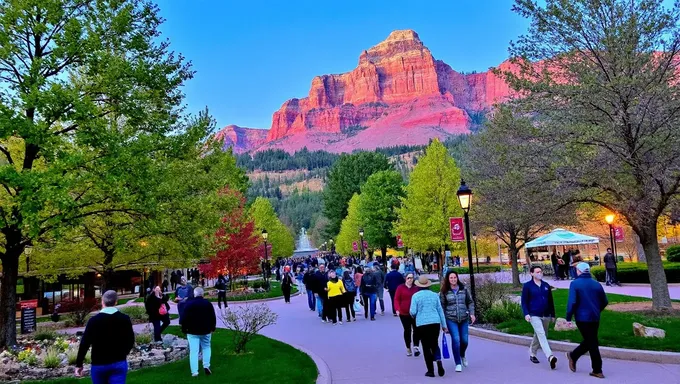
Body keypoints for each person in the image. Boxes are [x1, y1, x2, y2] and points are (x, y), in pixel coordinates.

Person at [75, 290, 134, 384]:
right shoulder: (124, 319)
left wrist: (79, 364)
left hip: (99, 364)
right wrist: (124, 352)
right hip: (118, 362)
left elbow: (84, 343)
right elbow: (130, 340)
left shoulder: (93, 321)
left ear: (102, 301)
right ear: (116, 302)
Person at [566, 262, 608, 379]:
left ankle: (595, 368)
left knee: (591, 342)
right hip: (595, 317)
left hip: (582, 317)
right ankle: (595, 368)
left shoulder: (575, 283)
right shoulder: (596, 284)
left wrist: (568, 317)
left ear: (579, 271)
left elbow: (572, 302)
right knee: (592, 341)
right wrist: (597, 310)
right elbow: (604, 301)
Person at [521, 266, 557, 369]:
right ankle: (550, 356)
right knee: (541, 334)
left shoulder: (546, 285)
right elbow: (524, 302)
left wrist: (553, 314)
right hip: (533, 314)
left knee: (541, 334)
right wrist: (526, 313)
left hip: (545, 314)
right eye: (537, 272)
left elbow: (551, 301)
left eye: (541, 272)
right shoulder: (528, 286)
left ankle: (532, 352)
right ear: (531, 273)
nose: (540, 273)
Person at [410, 275, 447, 378]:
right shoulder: (434, 295)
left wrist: (415, 315)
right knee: (434, 343)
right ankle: (439, 360)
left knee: (426, 347)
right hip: (435, 323)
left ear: (419, 285)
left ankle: (430, 371)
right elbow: (440, 310)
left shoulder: (416, 296)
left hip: (422, 324)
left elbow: (412, 311)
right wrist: (444, 325)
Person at [439, 271, 475, 373]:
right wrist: (443, 323)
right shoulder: (444, 291)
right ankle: (458, 363)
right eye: (451, 278)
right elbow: (442, 306)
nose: (453, 279)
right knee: (456, 339)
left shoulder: (464, 289)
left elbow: (470, 302)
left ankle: (462, 354)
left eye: (455, 277)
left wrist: (472, 313)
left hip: (463, 318)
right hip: (451, 318)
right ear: (448, 279)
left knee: (465, 340)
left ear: (457, 278)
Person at [182, 287, 217, 377]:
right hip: (206, 330)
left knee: (194, 351)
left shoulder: (189, 304)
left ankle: (195, 372)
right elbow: (212, 317)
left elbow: (184, 318)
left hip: (192, 331)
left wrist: (184, 329)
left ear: (194, 294)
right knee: (206, 347)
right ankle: (206, 365)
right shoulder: (208, 304)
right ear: (203, 294)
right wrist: (212, 328)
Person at [395, 272, 421, 357]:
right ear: (405, 278)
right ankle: (408, 347)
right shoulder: (400, 288)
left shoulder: (416, 288)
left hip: (415, 313)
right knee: (407, 330)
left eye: (412, 278)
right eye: (408, 278)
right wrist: (397, 309)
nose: (410, 279)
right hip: (404, 313)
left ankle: (416, 346)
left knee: (416, 330)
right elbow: (396, 299)